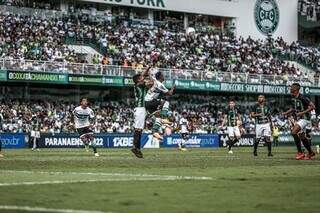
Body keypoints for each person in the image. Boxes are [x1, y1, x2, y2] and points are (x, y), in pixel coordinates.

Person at [283, 83, 316, 160]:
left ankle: (300, 152)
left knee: (294, 132)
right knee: (302, 137)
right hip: (300, 119)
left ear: (296, 89)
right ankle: (311, 152)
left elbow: (313, 106)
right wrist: (285, 113)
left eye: (292, 87)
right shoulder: (294, 98)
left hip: (305, 118)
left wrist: (302, 112)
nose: (290, 88)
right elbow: (293, 109)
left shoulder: (303, 97)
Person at [131, 67, 153, 158]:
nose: (143, 78)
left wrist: (148, 71)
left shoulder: (141, 86)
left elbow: (151, 83)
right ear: (138, 80)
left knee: (139, 129)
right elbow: (150, 82)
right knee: (138, 129)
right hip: (140, 108)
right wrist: (148, 72)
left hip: (141, 109)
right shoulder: (138, 85)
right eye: (141, 77)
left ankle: (137, 148)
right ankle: (135, 147)